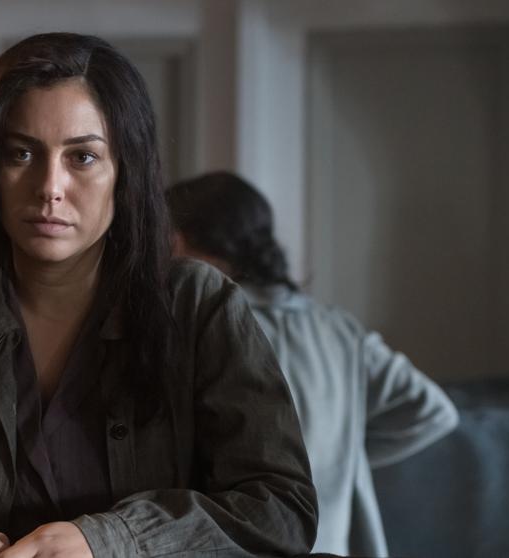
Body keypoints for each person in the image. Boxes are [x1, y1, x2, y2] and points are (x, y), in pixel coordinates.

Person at [0, 34, 318, 558]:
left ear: (125, 173)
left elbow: (279, 506)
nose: (49, 187)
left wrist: (108, 541)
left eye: (83, 157)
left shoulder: (200, 305)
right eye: (21, 153)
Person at [166, 171, 459, 557]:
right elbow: (433, 410)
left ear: (184, 240)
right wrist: (340, 457)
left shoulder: (204, 327)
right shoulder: (339, 330)